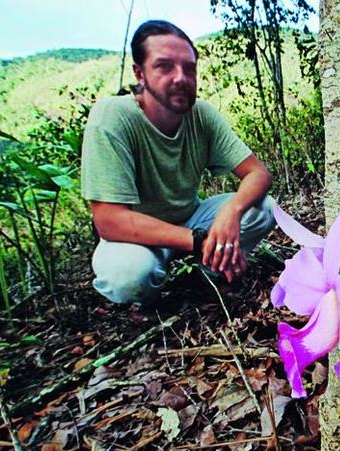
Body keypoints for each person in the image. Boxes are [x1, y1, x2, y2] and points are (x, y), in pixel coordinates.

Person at [80, 20, 275, 306]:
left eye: (189, 68)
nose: (181, 77)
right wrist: (198, 241)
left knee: (263, 209)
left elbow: (257, 174)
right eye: (164, 66)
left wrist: (231, 212)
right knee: (128, 276)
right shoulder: (112, 117)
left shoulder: (201, 114)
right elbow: (109, 220)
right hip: (137, 237)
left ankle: (210, 272)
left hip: (190, 215)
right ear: (139, 73)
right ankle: (154, 299)